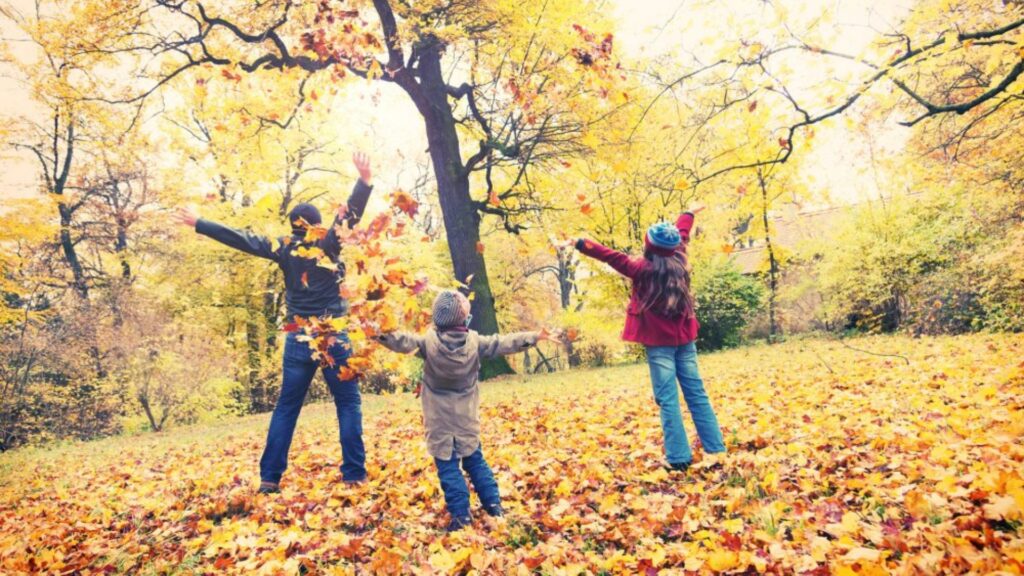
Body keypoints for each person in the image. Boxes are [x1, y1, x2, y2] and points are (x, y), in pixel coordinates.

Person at [175, 153, 375, 493]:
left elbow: (243, 238)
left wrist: (200, 223)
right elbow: (349, 218)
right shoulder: (328, 243)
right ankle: (354, 474)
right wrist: (364, 180)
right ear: (316, 224)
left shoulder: (283, 248)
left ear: (293, 226)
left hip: (298, 338)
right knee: (348, 402)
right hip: (333, 335)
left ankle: (270, 478)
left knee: (287, 406)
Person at [375, 290, 559, 531]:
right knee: (475, 461)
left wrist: (376, 333)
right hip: (466, 417)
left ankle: (461, 516)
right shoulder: (475, 343)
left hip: (438, 419)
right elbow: (503, 343)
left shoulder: (427, 344)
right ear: (464, 318)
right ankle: (494, 505)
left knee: (448, 467)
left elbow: (401, 341)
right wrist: (534, 337)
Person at [573, 206, 726, 471]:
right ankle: (716, 449)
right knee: (696, 394)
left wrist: (579, 243)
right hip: (685, 340)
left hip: (659, 345)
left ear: (648, 246)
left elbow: (610, 256)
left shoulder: (641, 269)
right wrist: (689, 213)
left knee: (667, 398)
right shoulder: (679, 260)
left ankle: (678, 458)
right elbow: (682, 232)